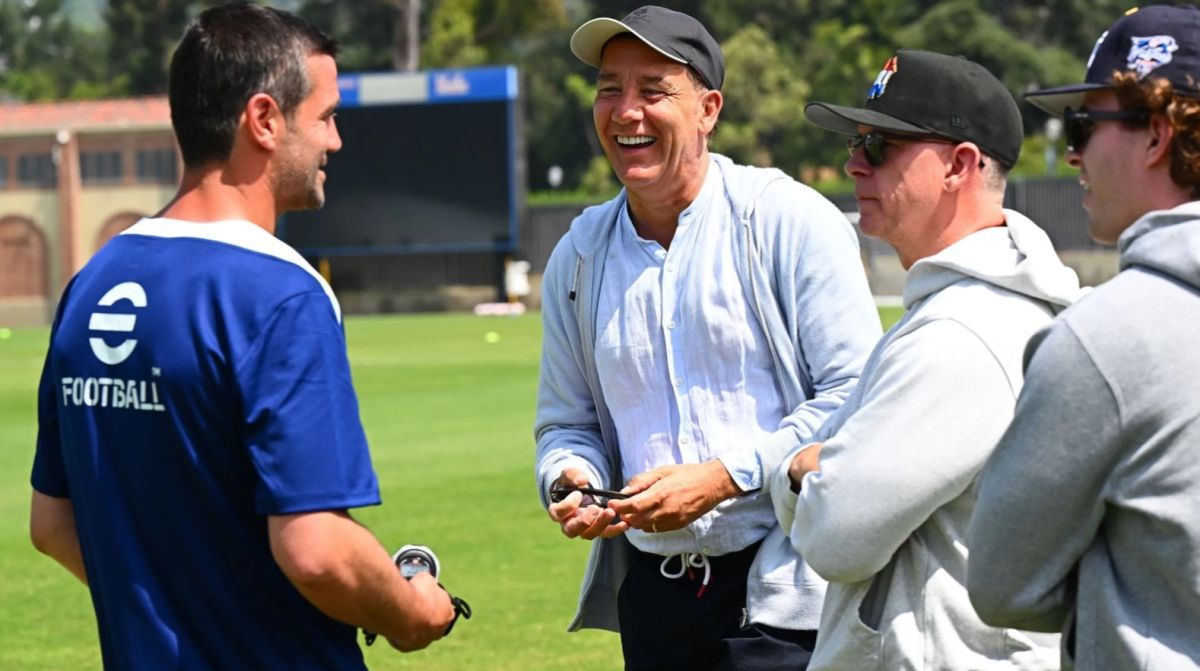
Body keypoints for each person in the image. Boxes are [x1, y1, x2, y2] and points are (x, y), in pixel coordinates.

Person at [28, 4, 454, 669]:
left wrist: (176, 609)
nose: (336, 141)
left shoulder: (91, 283)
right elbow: (316, 550)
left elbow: (52, 523)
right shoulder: (280, 292)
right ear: (264, 120)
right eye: (326, 116)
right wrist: (413, 611)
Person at [534, 5, 882, 670]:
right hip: (653, 597)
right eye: (609, 89)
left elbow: (857, 396)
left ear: (708, 110)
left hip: (787, 587)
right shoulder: (578, 256)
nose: (626, 111)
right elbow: (565, 424)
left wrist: (724, 478)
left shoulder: (786, 220)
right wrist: (572, 479)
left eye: (653, 90)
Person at [769, 49, 1083, 669]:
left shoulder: (963, 331)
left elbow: (834, 539)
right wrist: (818, 471)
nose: (854, 163)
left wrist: (801, 470)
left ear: (959, 166)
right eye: (855, 142)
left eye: (880, 145)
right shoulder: (970, 308)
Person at [967, 6, 1200, 670]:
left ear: (1156, 135)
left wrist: (1128, 572)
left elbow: (1003, 584)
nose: (1073, 152)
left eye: (1083, 125)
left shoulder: (1104, 338)